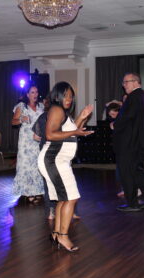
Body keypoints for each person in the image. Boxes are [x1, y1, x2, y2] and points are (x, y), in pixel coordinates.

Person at [38, 81, 94, 252]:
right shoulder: (56, 109)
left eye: (71, 96)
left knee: (64, 198)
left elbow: (69, 130)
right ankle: (63, 236)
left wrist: (82, 116)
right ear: (57, 95)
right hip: (53, 159)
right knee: (71, 197)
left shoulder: (63, 112)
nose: (69, 99)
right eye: (66, 95)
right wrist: (76, 132)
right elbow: (50, 134)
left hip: (59, 160)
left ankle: (57, 233)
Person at [113, 73, 144, 212]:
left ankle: (132, 203)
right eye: (123, 82)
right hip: (141, 141)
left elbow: (127, 117)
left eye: (126, 82)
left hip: (130, 142)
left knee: (127, 172)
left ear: (136, 82)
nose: (124, 85)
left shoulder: (133, 97)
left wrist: (115, 124)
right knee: (137, 170)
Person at [11, 85, 45, 203]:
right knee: (26, 165)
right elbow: (13, 121)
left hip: (38, 140)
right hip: (26, 141)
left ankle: (38, 190)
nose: (35, 95)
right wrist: (21, 119)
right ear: (27, 94)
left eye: (36, 92)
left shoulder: (41, 106)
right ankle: (28, 192)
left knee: (37, 165)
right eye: (32, 92)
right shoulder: (22, 106)